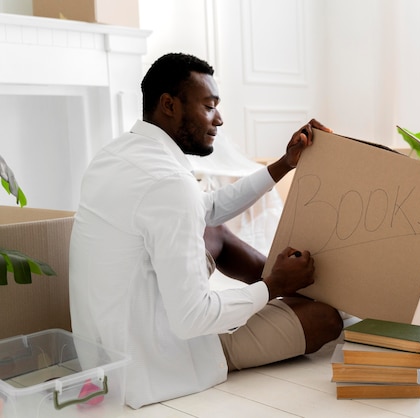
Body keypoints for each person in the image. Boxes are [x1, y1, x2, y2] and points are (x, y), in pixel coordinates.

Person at [69, 52, 343, 409]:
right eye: (209, 106)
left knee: (212, 227)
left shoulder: (114, 156)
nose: (220, 119)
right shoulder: (169, 182)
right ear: (169, 105)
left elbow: (205, 209)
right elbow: (191, 319)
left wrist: (283, 165)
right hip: (161, 362)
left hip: (105, 354)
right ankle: (284, 286)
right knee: (328, 318)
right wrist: (274, 285)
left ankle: (282, 285)